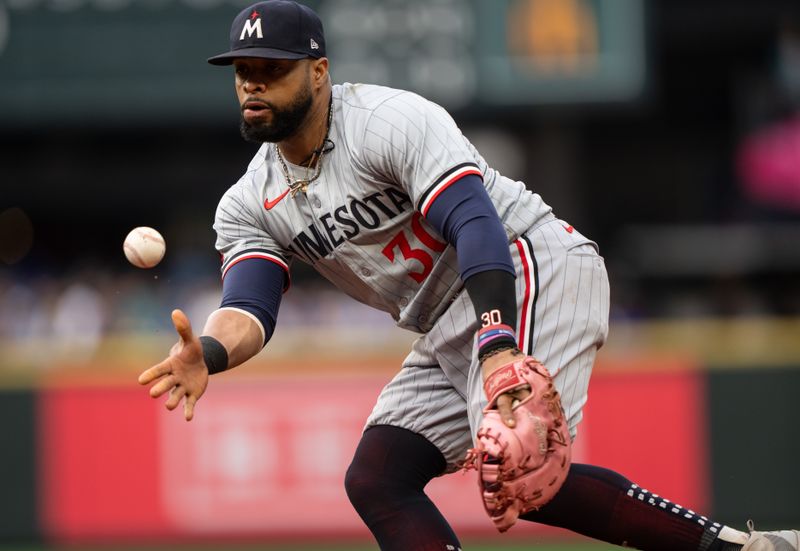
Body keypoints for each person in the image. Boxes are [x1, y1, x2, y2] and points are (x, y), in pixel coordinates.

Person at [138, 2, 799, 550]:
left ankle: (742, 550)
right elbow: (251, 305)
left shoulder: (384, 122)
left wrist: (497, 343)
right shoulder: (249, 200)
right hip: (445, 316)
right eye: (242, 71)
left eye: (271, 69)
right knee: (377, 477)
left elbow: (474, 221)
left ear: (318, 71)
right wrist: (214, 351)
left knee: (522, 465)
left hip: (525, 261)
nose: (253, 83)